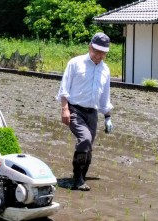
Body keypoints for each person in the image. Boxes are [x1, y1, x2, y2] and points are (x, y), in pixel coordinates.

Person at [56, 32, 113, 191]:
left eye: (103, 53)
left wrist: (107, 116)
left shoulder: (105, 70)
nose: (99, 55)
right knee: (85, 139)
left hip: (92, 113)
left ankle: (81, 176)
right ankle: (77, 179)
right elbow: (64, 88)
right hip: (75, 110)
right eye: (97, 51)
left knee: (88, 148)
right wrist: (65, 109)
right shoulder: (75, 63)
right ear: (90, 47)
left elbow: (105, 95)